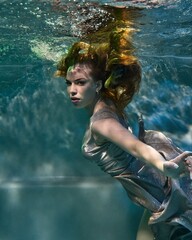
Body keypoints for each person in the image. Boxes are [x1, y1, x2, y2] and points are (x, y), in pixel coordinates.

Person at [55, 15, 192, 240]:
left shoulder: (101, 122)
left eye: (80, 83)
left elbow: (135, 146)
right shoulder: (109, 102)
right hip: (151, 185)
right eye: (68, 83)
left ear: (98, 85)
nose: (72, 90)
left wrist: (163, 166)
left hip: (154, 183)